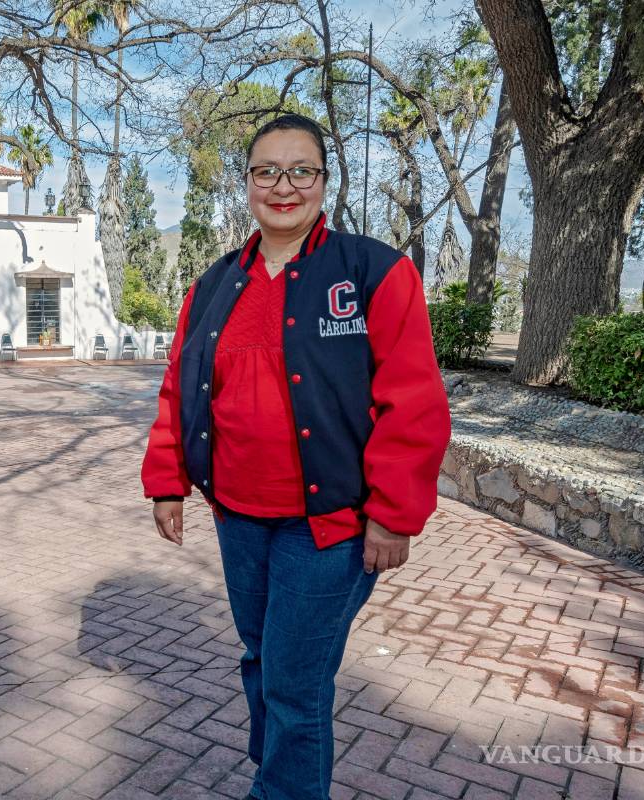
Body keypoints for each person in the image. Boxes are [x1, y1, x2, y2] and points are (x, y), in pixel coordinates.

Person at [141, 114, 450, 800]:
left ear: (323, 181)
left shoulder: (374, 273)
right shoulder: (214, 285)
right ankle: (274, 772)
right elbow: (180, 389)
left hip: (330, 527)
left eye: (300, 170)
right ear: (246, 184)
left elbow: (415, 402)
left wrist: (394, 515)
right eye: (265, 172)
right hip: (240, 520)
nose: (283, 186)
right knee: (261, 660)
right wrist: (167, 480)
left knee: (294, 682)